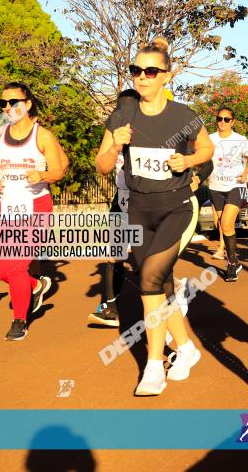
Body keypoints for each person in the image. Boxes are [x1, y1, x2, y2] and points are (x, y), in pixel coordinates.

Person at [96, 36, 212, 396]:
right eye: (136, 70)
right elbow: (101, 166)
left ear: (167, 75)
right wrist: (116, 143)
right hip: (138, 210)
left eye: (150, 71)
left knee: (149, 278)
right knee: (158, 287)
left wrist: (189, 160)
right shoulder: (122, 114)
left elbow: (207, 148)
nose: (141, 77)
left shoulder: (183, 115)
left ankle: (153, 364)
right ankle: (188, 347)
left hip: (177, 207)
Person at [0, 82, 66, 340]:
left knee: (18, 266)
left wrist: (42, 174)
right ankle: (36, 285)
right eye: (3, 103)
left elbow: (58, 170)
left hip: (35, 207)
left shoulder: (43, 136)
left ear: (27, 104)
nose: (8, 108)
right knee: (1, 268)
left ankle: (20, 320)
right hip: (3, 206)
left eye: (14, 102)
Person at [88, 89, 140, 327]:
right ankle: (110, 306)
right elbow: (102, 166)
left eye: (129, 107)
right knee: (114, 253)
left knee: (145, 257)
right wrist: (114, 147)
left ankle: (164, 302)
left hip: (145, 199)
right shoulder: (113, 132)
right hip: (122, 198)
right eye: (120, 108)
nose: (123, 112)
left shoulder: (150, 130)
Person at [208, 106, 248, 282]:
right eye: (220, 119)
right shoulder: (209, 139)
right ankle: (233, 261)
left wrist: (245, 174)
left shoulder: (241, 140)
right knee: (221, 225)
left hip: (235, 184)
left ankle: (232, 263)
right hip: (215, 186)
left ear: (232, 122)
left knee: (227, 223)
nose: (222, 122)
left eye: (227, 119)